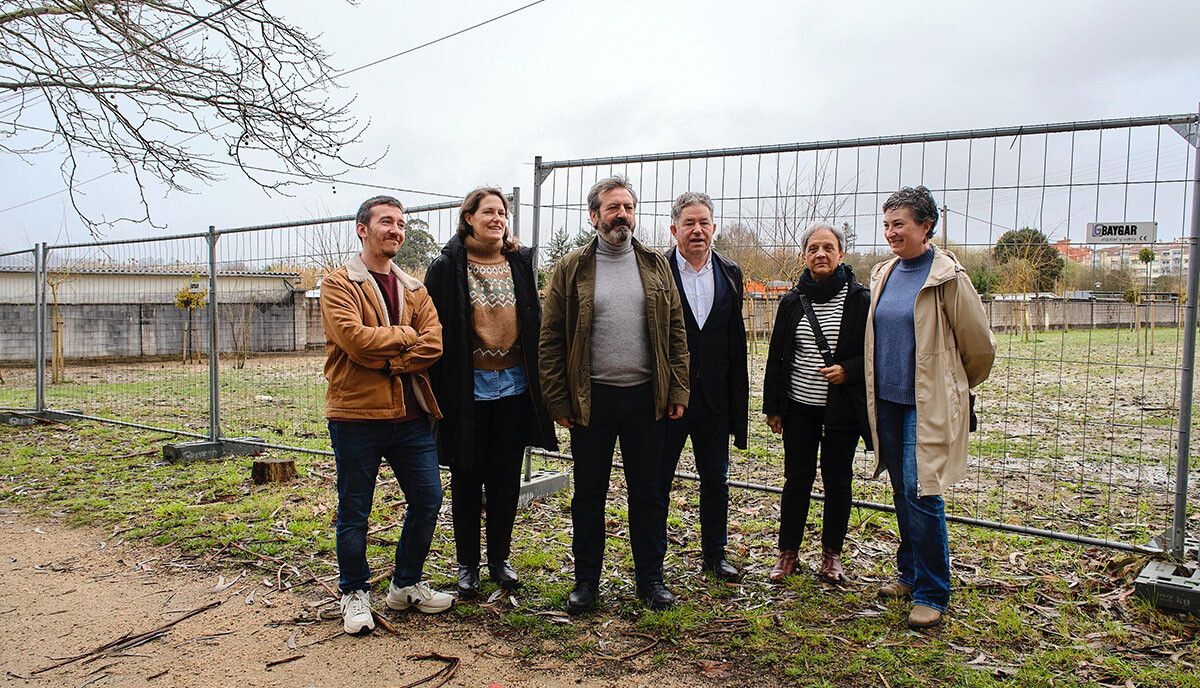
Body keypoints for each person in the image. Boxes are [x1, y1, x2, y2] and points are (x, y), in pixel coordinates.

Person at [539, 176, 690, 613]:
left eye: (627, 206)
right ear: (594, 216)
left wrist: (677, 387)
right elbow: (550, 339)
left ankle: (651, 580)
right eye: (612, 207)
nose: (621, 213)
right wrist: (559, 400)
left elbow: (676, 332)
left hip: (648, 399)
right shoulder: (572, 268)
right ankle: (586, 582)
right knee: (589, 494)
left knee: (649, 492)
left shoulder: (657, 265)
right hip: (592, 401)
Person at [321, 195, 453, 636]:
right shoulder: (340, 283)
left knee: (428, 498)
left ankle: (405, 583)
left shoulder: (415, 287)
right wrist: (405, 336)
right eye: (386, 222)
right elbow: (354, 340)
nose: (395, 230)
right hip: (356, 416)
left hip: (411, 416)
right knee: (355, 510)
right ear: (363, 228)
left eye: (400, 223)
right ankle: (354, 592)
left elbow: (434, 343)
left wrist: (393, 358)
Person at [865, 186, 995, 629]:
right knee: (902, 490)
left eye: (899, 224)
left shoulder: (948, 277)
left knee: (923, 492)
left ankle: (933, 591)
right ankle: (911, 572)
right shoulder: (883, 273)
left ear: (926, 226)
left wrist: (953, 388)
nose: (890, 233)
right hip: (888, 401)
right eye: (886, 225)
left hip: (926, 404)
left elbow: (980, 347)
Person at [423, 187, 558, 600]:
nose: (497, 218)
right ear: (468, 218)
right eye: (488, 212)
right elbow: (436, 328)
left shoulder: (519, 261)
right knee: (467, 477)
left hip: (516, 387)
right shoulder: (446, 267)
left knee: (504, 480)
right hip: (470, 390)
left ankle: (499, 560)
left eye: (502, 212)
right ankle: (468, 566)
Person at [762, 222, 870, 584]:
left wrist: (849, 370)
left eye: (828, 248)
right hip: (799, 408)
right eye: (813, 248)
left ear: (841, 254)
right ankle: (787, 553)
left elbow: (874, 354)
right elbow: (777, 356)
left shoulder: (860, 300)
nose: (820, 254)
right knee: (797, 479)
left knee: (838, 480)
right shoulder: (792, 301)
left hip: (842, 410)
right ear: (803, 255)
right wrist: (773, 407)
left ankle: (832, 556)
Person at [659, 191, 748, 582]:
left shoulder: (730, 272)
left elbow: (732, 340)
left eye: (705, 223)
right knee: (657, 480)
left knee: (716, 479)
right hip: (668, 398)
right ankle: (652, 560)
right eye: (689, 224)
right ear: (674, 228)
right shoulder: (657, 270)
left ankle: (715, 554)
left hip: (715, 399)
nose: (698, 231)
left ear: (713, 228)